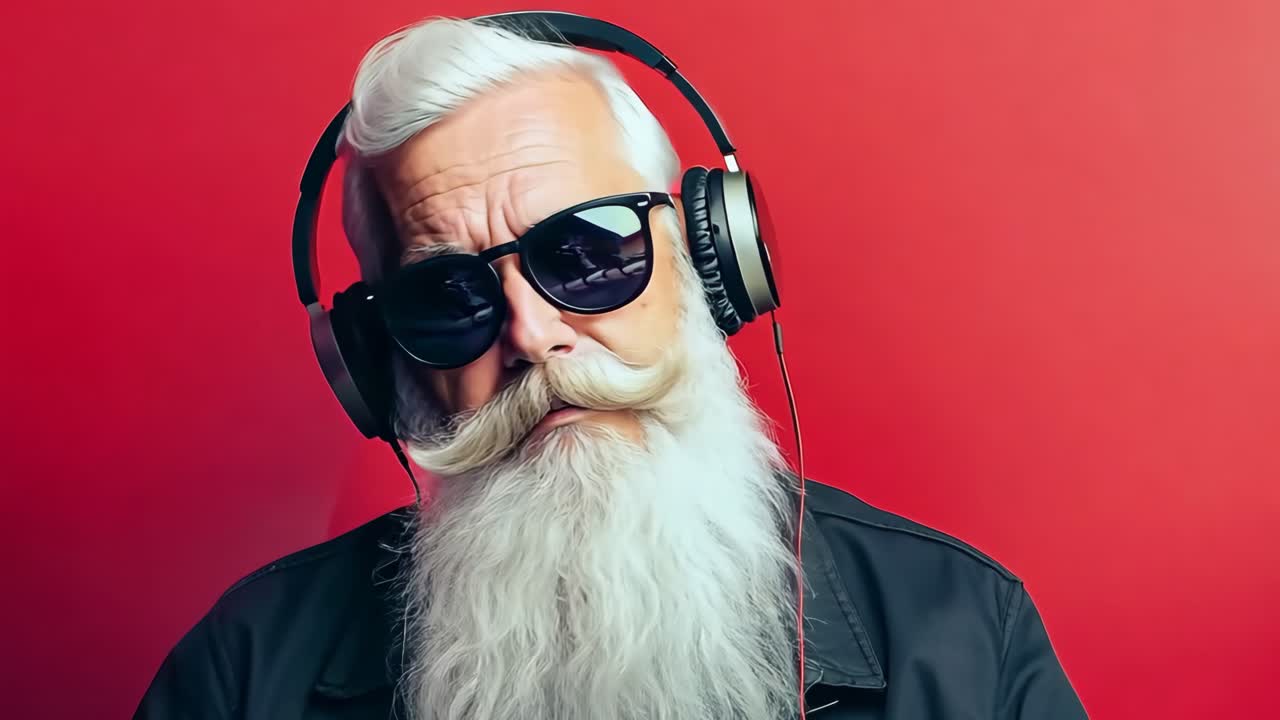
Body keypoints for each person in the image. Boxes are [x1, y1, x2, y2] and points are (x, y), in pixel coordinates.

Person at [135, 13, 1088, 720]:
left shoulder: (967, 636)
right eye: (448, 298)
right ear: (380, 366)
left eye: (586, 254)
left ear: (706, 263)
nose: (535, 335)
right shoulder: (243, 674)